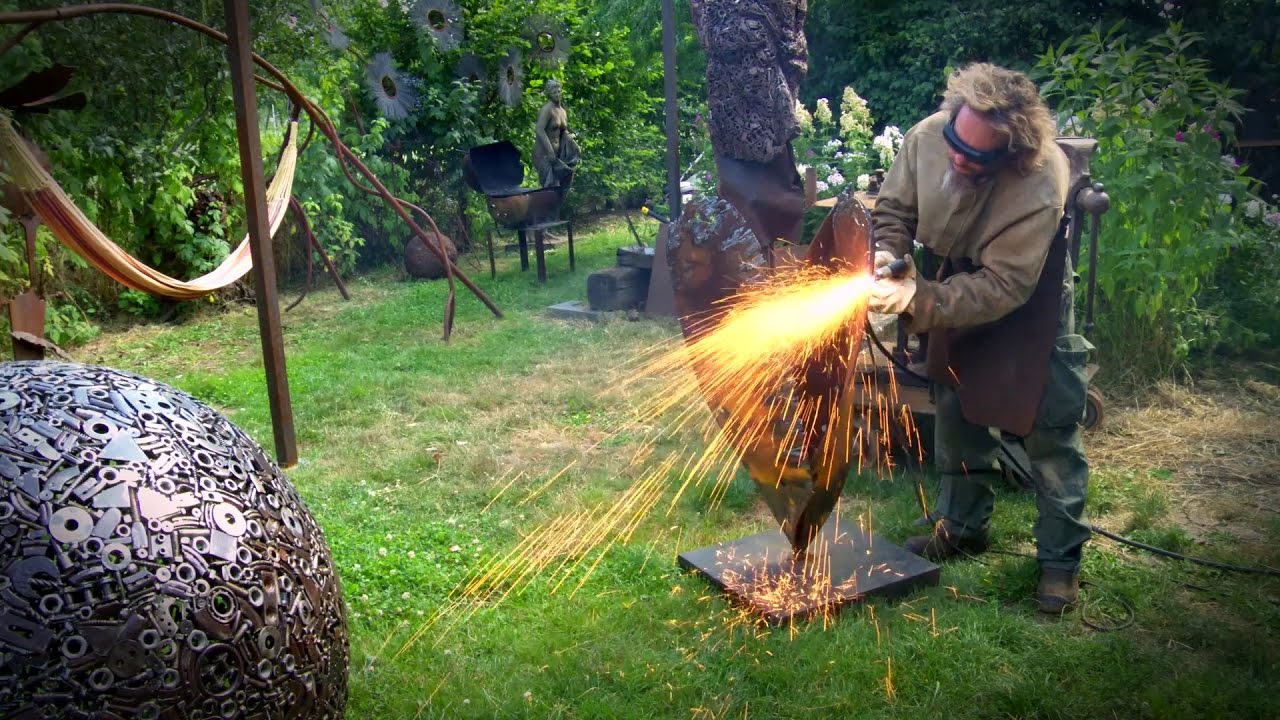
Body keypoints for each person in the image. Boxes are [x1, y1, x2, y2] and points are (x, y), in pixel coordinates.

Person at [867, 63, 1092, 613]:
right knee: (955, 401)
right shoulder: (929, 136)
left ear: (1012, 155)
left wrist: (919, 301)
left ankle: (1059, 562)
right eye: (955, 144)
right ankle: (963, 525)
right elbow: (895, 208)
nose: (959, 159)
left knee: (1048, 425)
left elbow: (1004, 285)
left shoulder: (1040, 180)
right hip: (955, 275)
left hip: (1025, 290)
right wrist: (890, 259)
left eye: (977, 157)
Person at [532, 79, 579, 189]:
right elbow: (539, 129)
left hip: (558, 156)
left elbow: (563, 132)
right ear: (549, 94)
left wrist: (573, 141)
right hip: (544, 154)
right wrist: (549, 151)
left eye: (558, 91)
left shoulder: (562, 111)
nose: (557, 94)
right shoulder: (547, 110)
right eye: (554, 92)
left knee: (563, 184)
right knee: (550, 187)